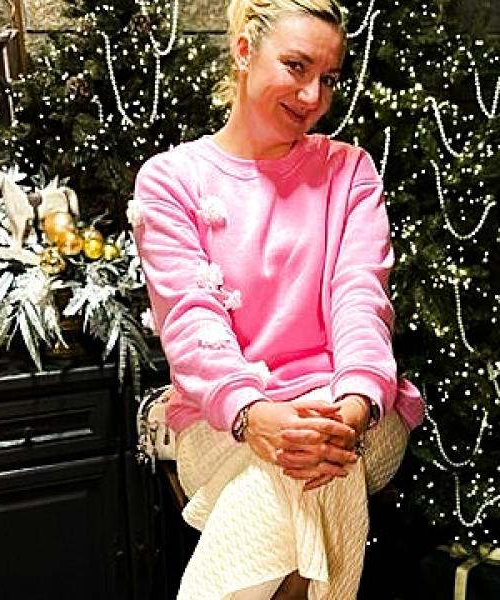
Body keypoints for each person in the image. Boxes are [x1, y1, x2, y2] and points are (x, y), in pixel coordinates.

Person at [130, 1, 424, 598]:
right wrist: (251, 412)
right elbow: (190, 319)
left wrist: (352, 407)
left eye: (329, 78)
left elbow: (361, 299)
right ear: (244, 50)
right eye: (296, 66)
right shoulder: (171, 180)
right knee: (304, 481)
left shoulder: (349, 170)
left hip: (356, 409)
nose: (313, 96)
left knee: (309, 464)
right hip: (222, 421)